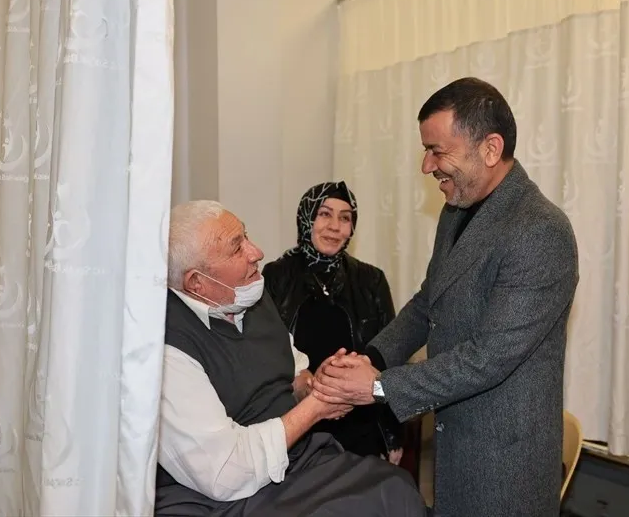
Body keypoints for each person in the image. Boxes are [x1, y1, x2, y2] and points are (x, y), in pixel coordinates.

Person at [312, 77, 580, 517]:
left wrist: (378, 386)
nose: (426, 166)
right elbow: (427, 302)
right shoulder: (457, 210)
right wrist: (369, 359)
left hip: (504, 464)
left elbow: (487, 358)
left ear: (490, 149)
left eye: (437, 151)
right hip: (454, 443)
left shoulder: (540, 231)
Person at [155, 200, 427, 517]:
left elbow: (294, 372)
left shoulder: (250, 293)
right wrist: (317, 407)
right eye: (236, 248)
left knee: (395, 487)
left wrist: (317, 385)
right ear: (196, 282)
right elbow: (225, 472)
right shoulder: (167, 349)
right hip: (227, 494)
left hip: (295, 460)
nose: (256, 252)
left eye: (246, 236)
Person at [262, 181, 404, 464]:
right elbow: (265, 350)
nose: (335, 227)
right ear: (307, 218)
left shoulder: (371, 280)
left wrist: (391, 433)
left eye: (345, 218)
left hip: (359, 421)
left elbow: (389, 357)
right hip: (297, 421)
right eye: (325, 214)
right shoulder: (276, 276)